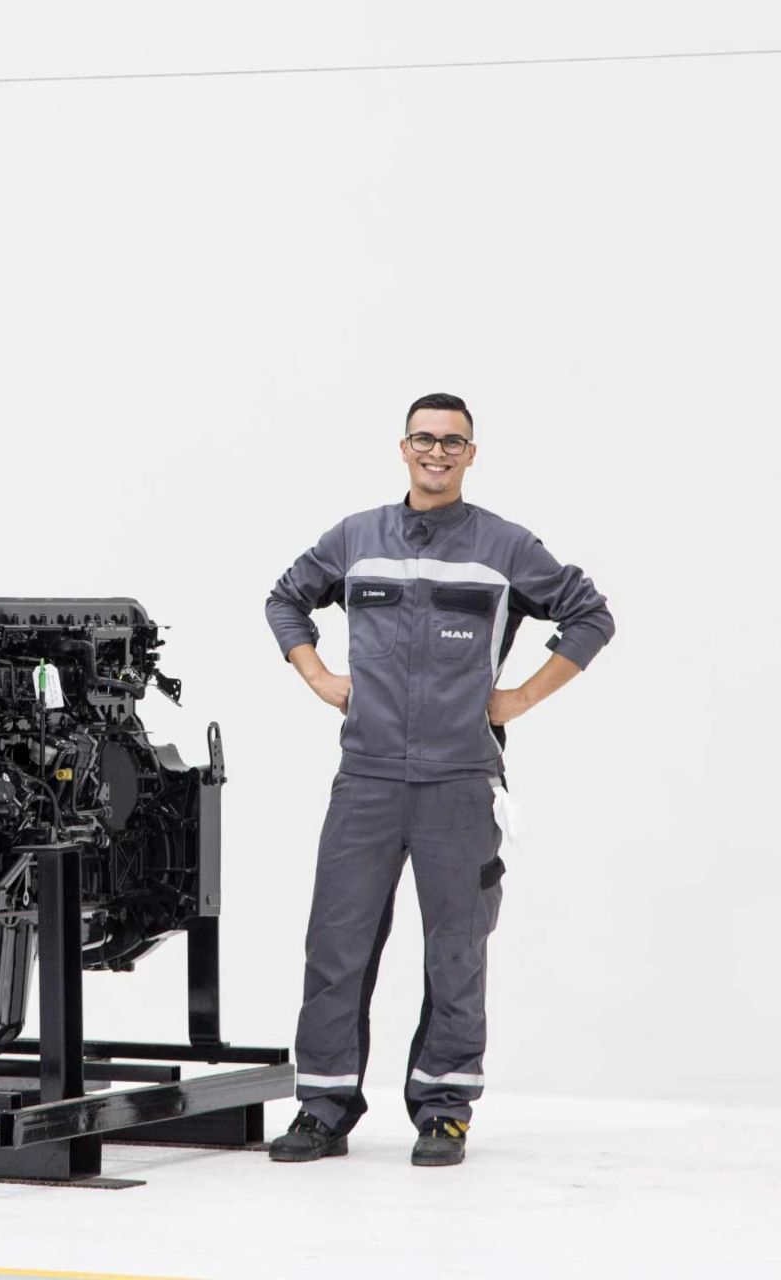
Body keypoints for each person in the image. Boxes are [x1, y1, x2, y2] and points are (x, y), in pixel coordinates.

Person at [262, 392, 614, 1167]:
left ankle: (444, 1108)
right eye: (425, 438)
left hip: (461, 781)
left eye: (453, 441)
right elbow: (286, 597)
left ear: (470, 455)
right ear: (403, 447)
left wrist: (520, 696)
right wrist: (317, 673)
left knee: (456, 949)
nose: (437, 451)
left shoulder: (504, 545)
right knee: (336, 945)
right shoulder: (356, 537)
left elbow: (590, 615)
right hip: (368, 780)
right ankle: (322, 1109)